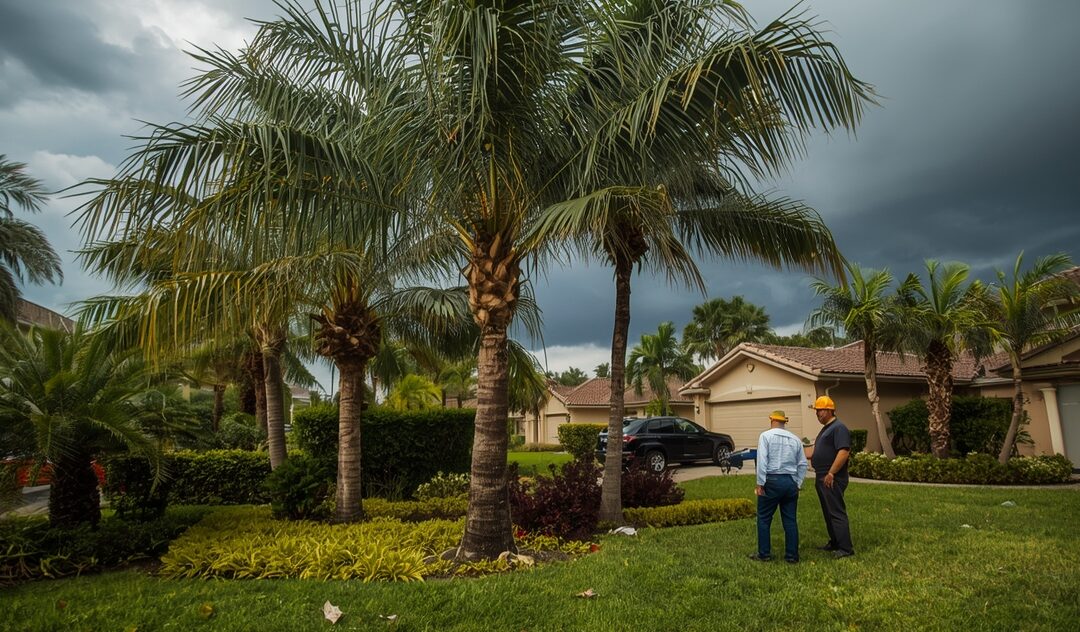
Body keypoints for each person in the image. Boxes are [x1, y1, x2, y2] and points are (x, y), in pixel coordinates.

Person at [749, 410, 808, 564]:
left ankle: (764, 554)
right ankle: (792, 556)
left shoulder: (765, 436)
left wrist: (760, 483)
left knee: (763, 518)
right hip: (790, 481)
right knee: (790, 520)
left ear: (772, 420)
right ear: (784, 422)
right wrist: (798, 483)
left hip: (772, 480)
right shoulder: (795, 439)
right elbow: (802, 463)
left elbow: (762, 461)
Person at [806, 395, 854, 558]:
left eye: (819, 411)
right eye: (816, 411)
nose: (817, 414)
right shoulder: (826, 428)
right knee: (828, 511)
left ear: (828, 410)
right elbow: (814, 452)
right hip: (822, 476)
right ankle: (835, 542)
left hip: (832, 477)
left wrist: (831, 473)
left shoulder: (838, 428)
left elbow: (843, 451)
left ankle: (846, 548)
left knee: (836, 511)